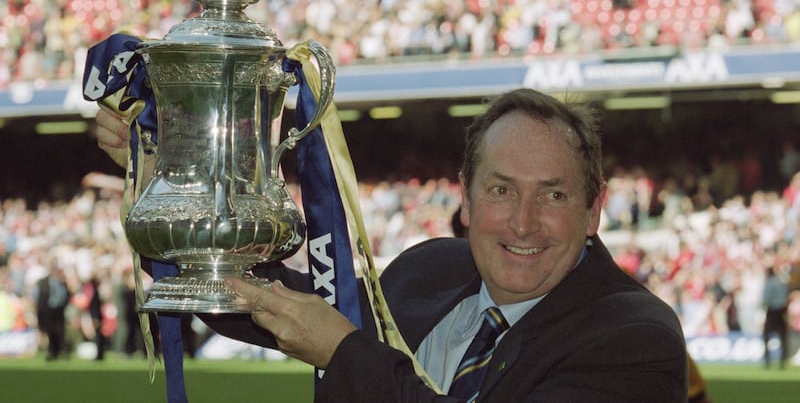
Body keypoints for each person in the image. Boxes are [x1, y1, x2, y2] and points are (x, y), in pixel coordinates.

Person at [96, 87, 688, 401]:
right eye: (501, 190)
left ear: (595, 210)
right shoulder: (431, 270)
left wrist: (347, 353)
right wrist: (170, 186)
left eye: (553, 196)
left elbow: (341, 345)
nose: (523, 223)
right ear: (466, 196)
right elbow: (268, 300)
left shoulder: (635, 337)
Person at [35, 263, 71, 361]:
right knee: (50, 332)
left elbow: (66, 296)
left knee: (60, 331)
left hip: (59, 310)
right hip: (48, 311)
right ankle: (52, 352)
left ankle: (62, 351)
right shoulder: (43, 282)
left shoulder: (62, 282)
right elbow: (40, 298)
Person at [762, 266, 789, 369]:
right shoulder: (781, 283)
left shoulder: (769, 283)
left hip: (772, 312)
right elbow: (785, 297)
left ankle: (767, 362)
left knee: (766, 336)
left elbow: (765, 299)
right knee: (783, 337)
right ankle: (782, 362)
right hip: (781, 312)